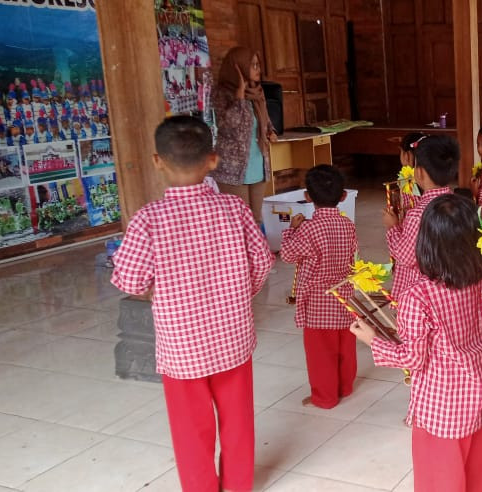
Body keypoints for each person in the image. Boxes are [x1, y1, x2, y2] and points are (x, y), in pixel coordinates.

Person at [110, 116, 274, 492]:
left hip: (181, 348)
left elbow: (129, 280)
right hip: (233, 339)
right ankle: (237, 485)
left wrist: (158, 290)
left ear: (157, 161)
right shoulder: (233, 209)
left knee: (190, 428)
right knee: (237, 421)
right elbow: (263, 261)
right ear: (213, 160)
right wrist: (236, 293)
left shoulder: (148, 220)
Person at [353, 193, 482, 492]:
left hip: (440, 408)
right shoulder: (479, 282)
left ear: (425, 244)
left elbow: (413, 359)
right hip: (478, 396)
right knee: (476, 476)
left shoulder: (417, 297)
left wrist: (373, 340)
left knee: (439, 482)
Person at [280, 164, 359, 410]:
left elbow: (288, 255)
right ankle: (344, 387)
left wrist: (290, 230)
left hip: (318, 302)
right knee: (346, 348)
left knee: (320, 354)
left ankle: (325, 397)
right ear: (343, 196)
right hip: (345, 297)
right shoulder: (348, 225)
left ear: (307, 197)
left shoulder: (308, 228)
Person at [209, 46, 277, 229]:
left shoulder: (257, 93)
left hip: (257, 164)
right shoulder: (221, 94)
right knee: (238, 220)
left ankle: (254, 256)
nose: (258, 70)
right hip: (233, 169)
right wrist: (239, 95)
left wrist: (270, 131)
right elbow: (229, 124)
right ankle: (240, 256)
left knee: (256, 219)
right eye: (253, 65)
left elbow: (264, 120)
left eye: (258, 65)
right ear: (238, 68)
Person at [384, 135, 457, 298]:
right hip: (449, 291)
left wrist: (392, 227)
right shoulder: (459, 204)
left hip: (419, 296)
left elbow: (404, 257)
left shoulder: (417, 214)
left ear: (419, 172)